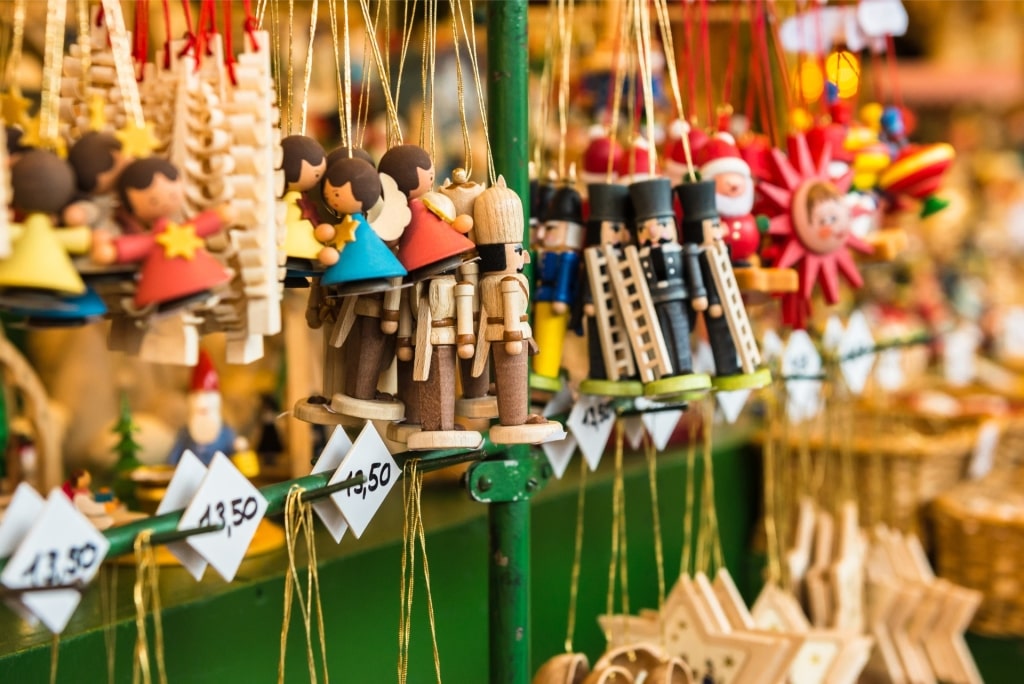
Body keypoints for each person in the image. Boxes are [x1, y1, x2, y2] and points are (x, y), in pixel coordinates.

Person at [91, 157, 233, 310]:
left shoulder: (179, 232)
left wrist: (218, 217)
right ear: (130, 207)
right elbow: (138, 246)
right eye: (153, 201)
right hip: (162, 289)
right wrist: (113, 251)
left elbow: (200, 226)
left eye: (173, 195)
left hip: (198, 276)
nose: (165, 202)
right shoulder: (155, 240)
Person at [168, 351, 248, 466]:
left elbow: (234, 456)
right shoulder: (185, 433)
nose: (202, 403)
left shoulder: (226, 433)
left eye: (207, 398)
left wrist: (240, 450)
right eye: (197, 398)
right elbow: (174, 457)